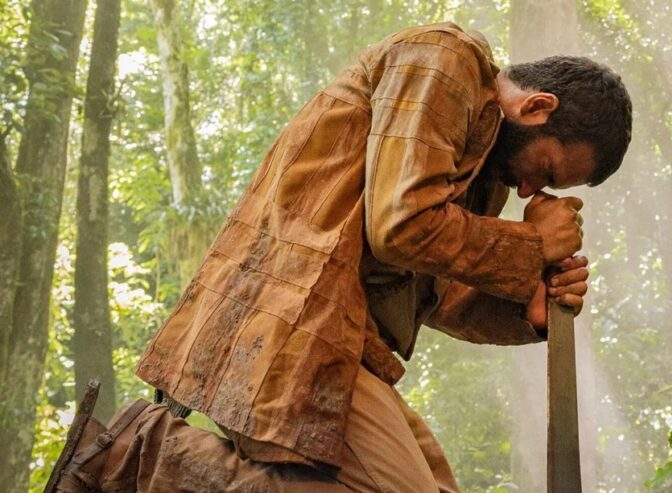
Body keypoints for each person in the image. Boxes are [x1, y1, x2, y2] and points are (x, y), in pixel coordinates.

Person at [46, 21, 632, 492]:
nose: (531, 193)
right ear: (536, 108)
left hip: (342, 350)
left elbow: (430, 290)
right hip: (287, 328)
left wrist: (522, 309)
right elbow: (402, 227)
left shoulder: (483, 176)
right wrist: (532, 245)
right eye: (547, 172)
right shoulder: (444, 59)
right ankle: (131, 455)